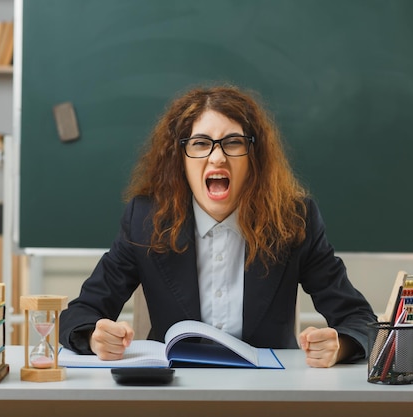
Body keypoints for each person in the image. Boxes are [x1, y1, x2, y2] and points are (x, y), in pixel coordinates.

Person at [59, 84, 376, 368]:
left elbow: (359, 320)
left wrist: (340, 346)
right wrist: (93, 337)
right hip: (176, 395)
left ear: (254, 156)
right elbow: (81, 313)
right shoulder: (145, 219)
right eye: (200, 144)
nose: (217, 158)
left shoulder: (294, 219)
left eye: (233, 143)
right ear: (179, 158)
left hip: (269, 396)